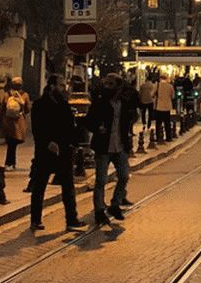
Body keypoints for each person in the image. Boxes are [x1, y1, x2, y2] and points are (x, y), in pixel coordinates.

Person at [28, 74, 86, 232]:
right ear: (52, 86)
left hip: (64, 151)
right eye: (61, 85)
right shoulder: (40, 104)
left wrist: (73, 142)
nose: (64, 88)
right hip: (46, 152)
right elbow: (37, 128)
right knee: (39, 186)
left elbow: (69, 126)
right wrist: (48, 143)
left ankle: (72, 219)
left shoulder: (64, 104)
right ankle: (35, 220)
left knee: (68, 186)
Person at [88, 73, 138, 227]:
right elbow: (89, 121)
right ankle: (99, 211)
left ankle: (115, 204)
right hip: (103, 146)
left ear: (118, 86)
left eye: (111, 84)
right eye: (106, 84)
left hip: (119, 146)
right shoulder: (100, 102)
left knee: (124, 175)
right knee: (101, 180)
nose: (107, 87)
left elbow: (131, 117)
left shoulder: (123, 103)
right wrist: (98, 127)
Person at [0, 76, 30, 171]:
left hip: (8, 121)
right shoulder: (25, 95)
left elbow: (3, 107)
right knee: (13, 144)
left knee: (10, 144)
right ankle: (11, 162)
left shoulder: (7, 94)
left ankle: (8, 162)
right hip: (18, 121)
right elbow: (27, 109)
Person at [155, 72, 176, 142]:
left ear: (160, 78)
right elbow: (173, 96)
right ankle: (168, 137)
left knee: (158, 123)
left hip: (159, 106)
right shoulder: (170, 86)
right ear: (166, 78)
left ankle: (158, 137)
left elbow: (152, 94)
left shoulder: (157, 85)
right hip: (167, 107)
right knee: (167, 123)